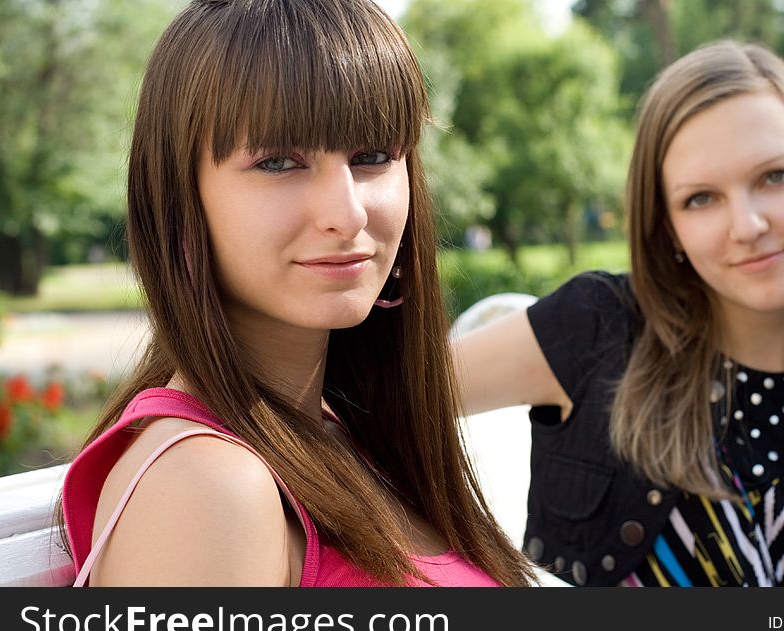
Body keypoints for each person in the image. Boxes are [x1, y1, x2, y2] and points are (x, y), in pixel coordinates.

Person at [59, 0, 535, 587]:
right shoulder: (207, 489)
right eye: (279, 161)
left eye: (373, 157)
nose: (347, 212)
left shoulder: (347, 432)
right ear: (179, 198)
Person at [453, 40, 784, 587]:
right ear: (668, 226)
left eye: (775, 176)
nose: (746, 225)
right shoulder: (597, 326)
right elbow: (363, 407)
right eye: (701, 198)